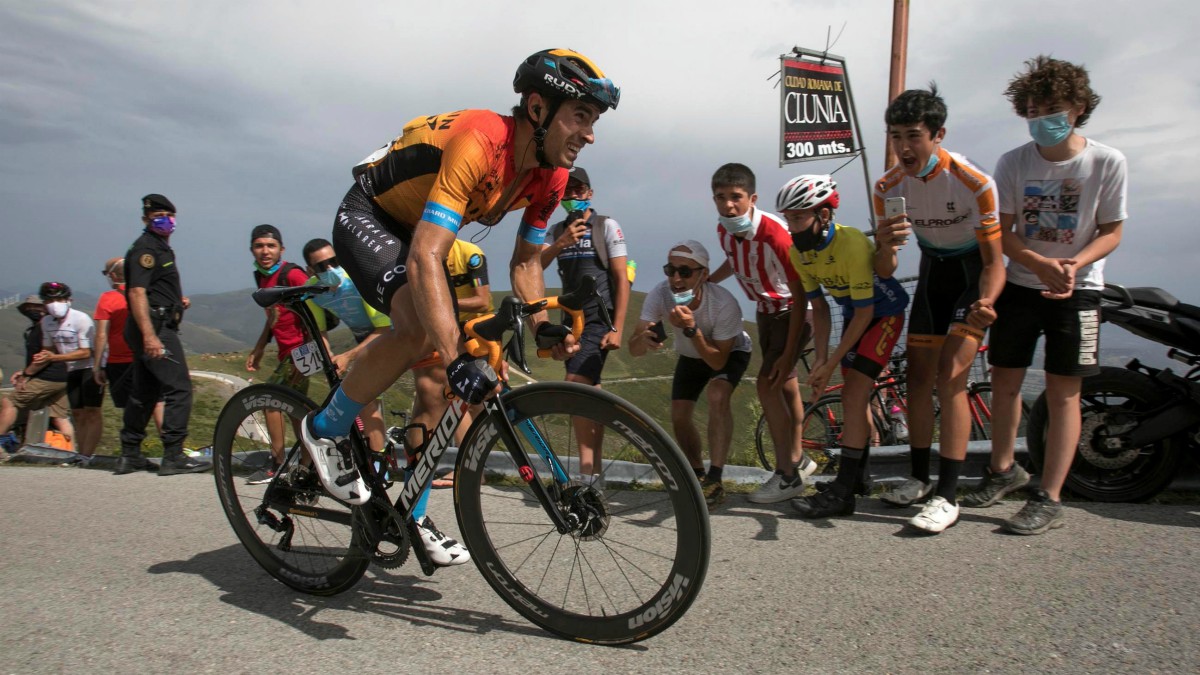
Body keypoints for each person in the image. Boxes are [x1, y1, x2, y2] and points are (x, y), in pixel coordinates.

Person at [297, 49, 618, 565]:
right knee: (425, 336)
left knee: (447, 378)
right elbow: (426, 252)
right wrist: (454, 356)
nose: (590, 134)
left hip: (418, 232)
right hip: (373, 218)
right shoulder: (481, 140)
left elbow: (526, 261)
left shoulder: (550, 175)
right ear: (537, 109)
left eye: (594, 121)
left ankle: (411, 513)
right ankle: (326, 428)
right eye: (580, 117)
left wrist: (541, 324)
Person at [959, 56, 1127, 535]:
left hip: (1079, 292)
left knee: (1064, 393)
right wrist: (1037, 264)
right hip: (1021, 285)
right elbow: (1002, 233)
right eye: (1032, 109)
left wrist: (1074, 265)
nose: (1041, 117)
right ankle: (1002, 470)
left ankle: (1048, 496)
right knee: (1004, 380)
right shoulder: (1013, 161)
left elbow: (1112, 231)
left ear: (1077, 107)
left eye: (1051, 107)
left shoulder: (1106, 161)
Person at [871, 86, 1005, 534]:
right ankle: (918, 478)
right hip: (934, 274)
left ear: (938, 135)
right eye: (895, 137)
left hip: (971, 277)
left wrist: (985, 302)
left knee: (951, 376)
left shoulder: (974, 182)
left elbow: (993, 262)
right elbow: (886, 267)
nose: (904, 148)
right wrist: (886, 245)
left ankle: (948, 496)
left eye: (914, 136)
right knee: (918, 379)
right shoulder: (888, 186)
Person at [782, 176, 909, 519]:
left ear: (823, 216)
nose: (790, 227)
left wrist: (832, 363)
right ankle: (857, 479)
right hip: (855, 314)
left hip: (883, 314)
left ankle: (843, 493)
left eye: (797, 218)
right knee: (857, 399)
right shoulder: (799, 252)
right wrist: (822, 359)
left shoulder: (851, 243)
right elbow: (820, 309)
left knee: (853, 394)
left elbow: (867, 310)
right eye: (787, 219)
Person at [707, 162, 815, 504]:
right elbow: (733, 261)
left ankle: (787, 476)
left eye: (736, 197)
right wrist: (707, 281)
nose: (728, 205)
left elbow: (801, 296)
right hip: (766, 313)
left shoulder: (776, 234)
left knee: (768, 385)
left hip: (792, 312)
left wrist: (789, 349)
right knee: (786, 384)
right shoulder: (725, 230)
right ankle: (800, 457)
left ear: (752, 198)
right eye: (720, 197)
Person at [629, 241, 752, 509]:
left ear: (703, 275)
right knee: (679, 417)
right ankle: (698, 475)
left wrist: (691, 329)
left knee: (718, 395)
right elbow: (633, 348)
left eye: (685, 272)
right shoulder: (660, 293)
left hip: (727, 352)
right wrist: (645, 339)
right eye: (670, 270)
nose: (676, 278)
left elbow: (718, 361)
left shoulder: (723, 304)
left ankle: (716, 478)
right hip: (692, 355)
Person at [539, 166, 630, 486]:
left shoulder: (606, 226)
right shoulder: (556, 231)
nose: (573, 195)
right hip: (570, 319)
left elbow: (621, 278)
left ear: (590, 193)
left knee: (575, 382)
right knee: (591, 392)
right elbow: (533, 266)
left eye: (579, 190)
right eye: (567, 190)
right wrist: (561, 242)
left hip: (599, 319)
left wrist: (616, 328)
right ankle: (596, 472)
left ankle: (586, 473)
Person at [116, 193, 209, 476]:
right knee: (179, 388)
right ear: (145, 219)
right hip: (155, 328)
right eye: (157, 217)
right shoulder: (146, 249)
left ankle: (129, 453)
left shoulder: (158, 247)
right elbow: (136, 292)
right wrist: (150, 337)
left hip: (158, 320)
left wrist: (176, 301)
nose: (164, 221)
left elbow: (153, 288)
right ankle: (173, 455)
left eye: (168, 216)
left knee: (145, 392)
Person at [246, 224, 328, 484]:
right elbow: (273, 315)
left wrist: (312, 351)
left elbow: (317, 309)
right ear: (251, 250)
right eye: (259, 246)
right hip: (285, 352)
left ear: (281, 249)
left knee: (272, 400)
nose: (265, 251)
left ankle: (277, 464)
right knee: (295, 411)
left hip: (301, 351)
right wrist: (260, 347)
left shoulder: (291, 275)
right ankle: (308, 464)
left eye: (270, 246)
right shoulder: (262, 277)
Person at [28, 282, 103, 461]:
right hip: (71, 369)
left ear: (68, 300)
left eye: (59, 299)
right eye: (49, 299)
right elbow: (48, 349)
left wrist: (53, 358)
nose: (54, 303)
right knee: (77, 413)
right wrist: (27, 372)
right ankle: (81, 452)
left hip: (90, 368)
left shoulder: (81, 318)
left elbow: (86, 352)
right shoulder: (46, 322)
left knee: (92, 411)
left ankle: (87, 454)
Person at [94, 258, 166, 434]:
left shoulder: (107, 299)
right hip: (149, 354)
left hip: (119, 361)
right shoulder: (147, 294)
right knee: (158, 402)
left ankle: (132, 448)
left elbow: (102, 334)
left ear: (112, 275)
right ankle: (171, 445)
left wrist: (97, 366)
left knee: (130, 405)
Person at [0, 296, 73, 447]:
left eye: (36, 307)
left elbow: (44, 357)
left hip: (47, 377)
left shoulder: (43, 328)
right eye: (29, 308)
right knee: (59, 417)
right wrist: (24, 371)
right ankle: (72, 452)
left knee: (9, 402)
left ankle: (1, 440)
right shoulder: (52, 326)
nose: (32, 310)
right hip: (63, 377)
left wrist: (26, 375)